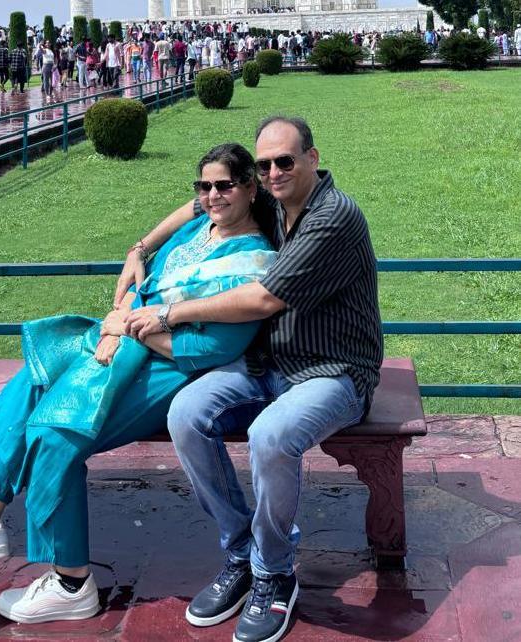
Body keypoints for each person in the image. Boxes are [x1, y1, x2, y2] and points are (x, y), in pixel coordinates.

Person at [0, 143, 277, 627]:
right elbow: (155, 266)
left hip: (169, 365)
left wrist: (129, 327)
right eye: (203, 186)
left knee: (58, 434)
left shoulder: (254, 261)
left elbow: (215, 349)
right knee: (36, 376)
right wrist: (134, 264)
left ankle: (71, 583)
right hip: (122, 338)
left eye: (224, 186)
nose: (212, 196)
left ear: (250, 188)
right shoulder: (198, 226)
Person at [122, 116, 383, 642]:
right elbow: (199, 205)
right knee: (187, 413)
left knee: (271, 436)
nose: (273, 172)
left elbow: (263, 299)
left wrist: (170, 313)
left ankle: (274, 572)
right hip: (271, 364)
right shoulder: (274, 200)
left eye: (284, 161)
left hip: (334, 371)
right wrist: (139, 250)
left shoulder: (332, 217)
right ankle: (242, 550)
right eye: (263, 166)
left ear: (312, 158)